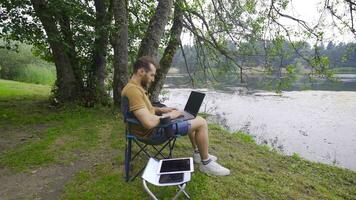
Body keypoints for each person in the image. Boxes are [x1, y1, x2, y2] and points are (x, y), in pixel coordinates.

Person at [121, 56, 230, 176]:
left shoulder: (134, 88)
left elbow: (147, 110)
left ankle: (198, 153)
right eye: (151, 75)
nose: (152, 79)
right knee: (201, 122)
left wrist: (162, 110)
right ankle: (206, 163)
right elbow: (148, 122)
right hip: (154, 133)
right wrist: (171, 115)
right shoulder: (133, 91)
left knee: (190, 118)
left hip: (145, 130)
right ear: (141, 71)